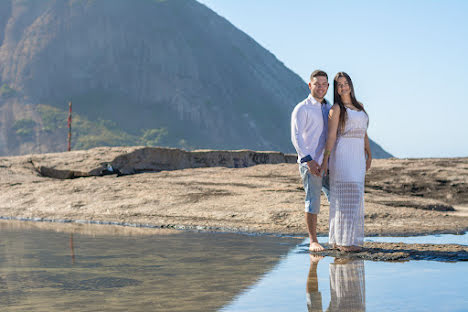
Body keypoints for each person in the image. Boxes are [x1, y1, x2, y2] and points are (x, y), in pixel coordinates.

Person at [320, 72, 372, 252]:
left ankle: (346, 240)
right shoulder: (336, 109)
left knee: (355, 197)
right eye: (339, 85)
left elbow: (364, 132)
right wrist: (325, 160)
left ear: (350, 84)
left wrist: (369, 152)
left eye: (346, 83)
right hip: (342, 157)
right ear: (336, 89)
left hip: (357, 157)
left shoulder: (360, 107)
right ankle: (342, 242)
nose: (343, 87)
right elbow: (331, 137)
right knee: (344, 199)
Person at [291, 70, 331, 252]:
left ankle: (336, 237)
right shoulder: (302, 108)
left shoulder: (329, 107)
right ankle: (313, 240)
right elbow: (296, 137)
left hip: (329, 163)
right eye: (317, 84)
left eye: (324, 84)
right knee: (313, 200)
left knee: (336, 200)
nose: (320, 87)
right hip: (311, 164)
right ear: (310, 85)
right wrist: (309, 160)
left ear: (328, 87)